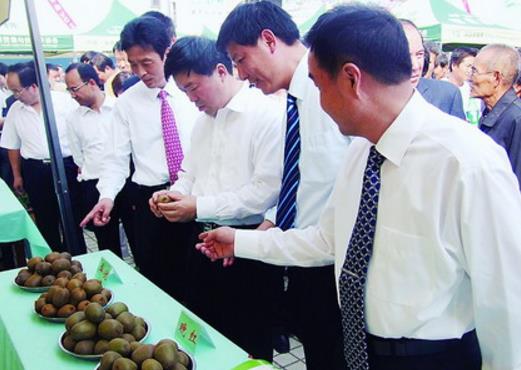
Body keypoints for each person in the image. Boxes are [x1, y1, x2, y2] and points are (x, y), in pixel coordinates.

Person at [197, 4, 521, 370]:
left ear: (352, 79)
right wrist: (240, 241)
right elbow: (328, 241)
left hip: (431, 358)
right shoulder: (360, 153)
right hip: (356, 349)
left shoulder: (467, 163)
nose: (316, 100)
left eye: (318, 85)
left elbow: (507, 303)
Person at [216, 1, 349, 368]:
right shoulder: (296, 99)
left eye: (240, 59)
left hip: (332, 267)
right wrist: (274, 219)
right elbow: (305, 179)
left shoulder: (330, 95)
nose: (241, 74)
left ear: (269, 40)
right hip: (303, 257)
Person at [150, 36, 284, 360]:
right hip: (201, 242)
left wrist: (197, 205)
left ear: (222, 71)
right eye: (184, 91)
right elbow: (189, 173)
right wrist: (175, 194)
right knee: (203, 337)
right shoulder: (201, 122)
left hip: (248, 246)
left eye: (194, 87)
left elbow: (265, 191)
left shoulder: (266, 114)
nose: (191, 98)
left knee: (249, 344)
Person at [81, 15, 199, 300]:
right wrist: (106, 196)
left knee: (197, 283)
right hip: (150, 203)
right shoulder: (127, 103)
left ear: (167, 51)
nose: (140, 71)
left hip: (196, 198)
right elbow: (116, 159)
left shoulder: (193, 92)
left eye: (147, 62)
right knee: (157, 282)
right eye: (133, 64)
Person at [0, 62, 87, 255]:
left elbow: (82, 134)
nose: (15, 95)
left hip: (67, 166)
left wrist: (83, 163)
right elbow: (12, 145)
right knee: (45, 219)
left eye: (18, 90)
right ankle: (53, 262)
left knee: (72, 219)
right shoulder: (15, 110)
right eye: (12, 91)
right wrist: (17, 175)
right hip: (35, 170)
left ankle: (79, 258)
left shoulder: (65, 102)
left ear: (33, 86)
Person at [64, 63, 122, 257]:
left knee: (137, 237)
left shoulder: (118, 108)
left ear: (91, 83)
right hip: (94, 185)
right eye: (69, 90)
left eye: (74, 89)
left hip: (124, 182)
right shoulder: (73, 118)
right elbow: (77, 154)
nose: (72, 95)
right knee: (106, 243)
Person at [470, 44, 521, 188]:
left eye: (474, 71)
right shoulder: (489, 112)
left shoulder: (516, 119)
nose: (470, 77)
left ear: (496, 78)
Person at [400, 20, 465, 119]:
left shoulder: (446, 95)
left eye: (419, 55)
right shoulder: (371, 99)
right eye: (406, 56)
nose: (415, 66)